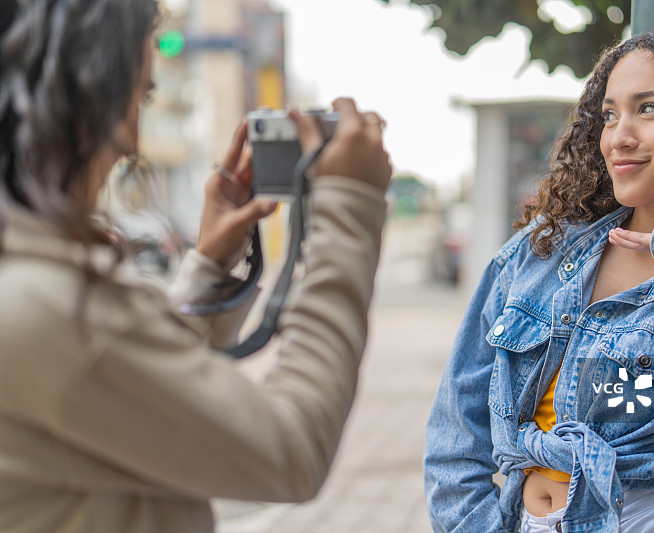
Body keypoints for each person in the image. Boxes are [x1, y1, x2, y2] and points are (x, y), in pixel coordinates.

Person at [0, 1, 392, 532]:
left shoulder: (28, 281)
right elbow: (290, 450)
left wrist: (208, 267)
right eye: (140, 96)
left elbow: (132, 396)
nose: (133, 141)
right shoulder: (50, 304)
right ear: (81, 98)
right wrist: (348, 210)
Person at [424, 24, 654, 533]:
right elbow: (456, 431)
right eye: (609, 114)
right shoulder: (542, 251)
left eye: (650, 108)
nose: (619, 136)